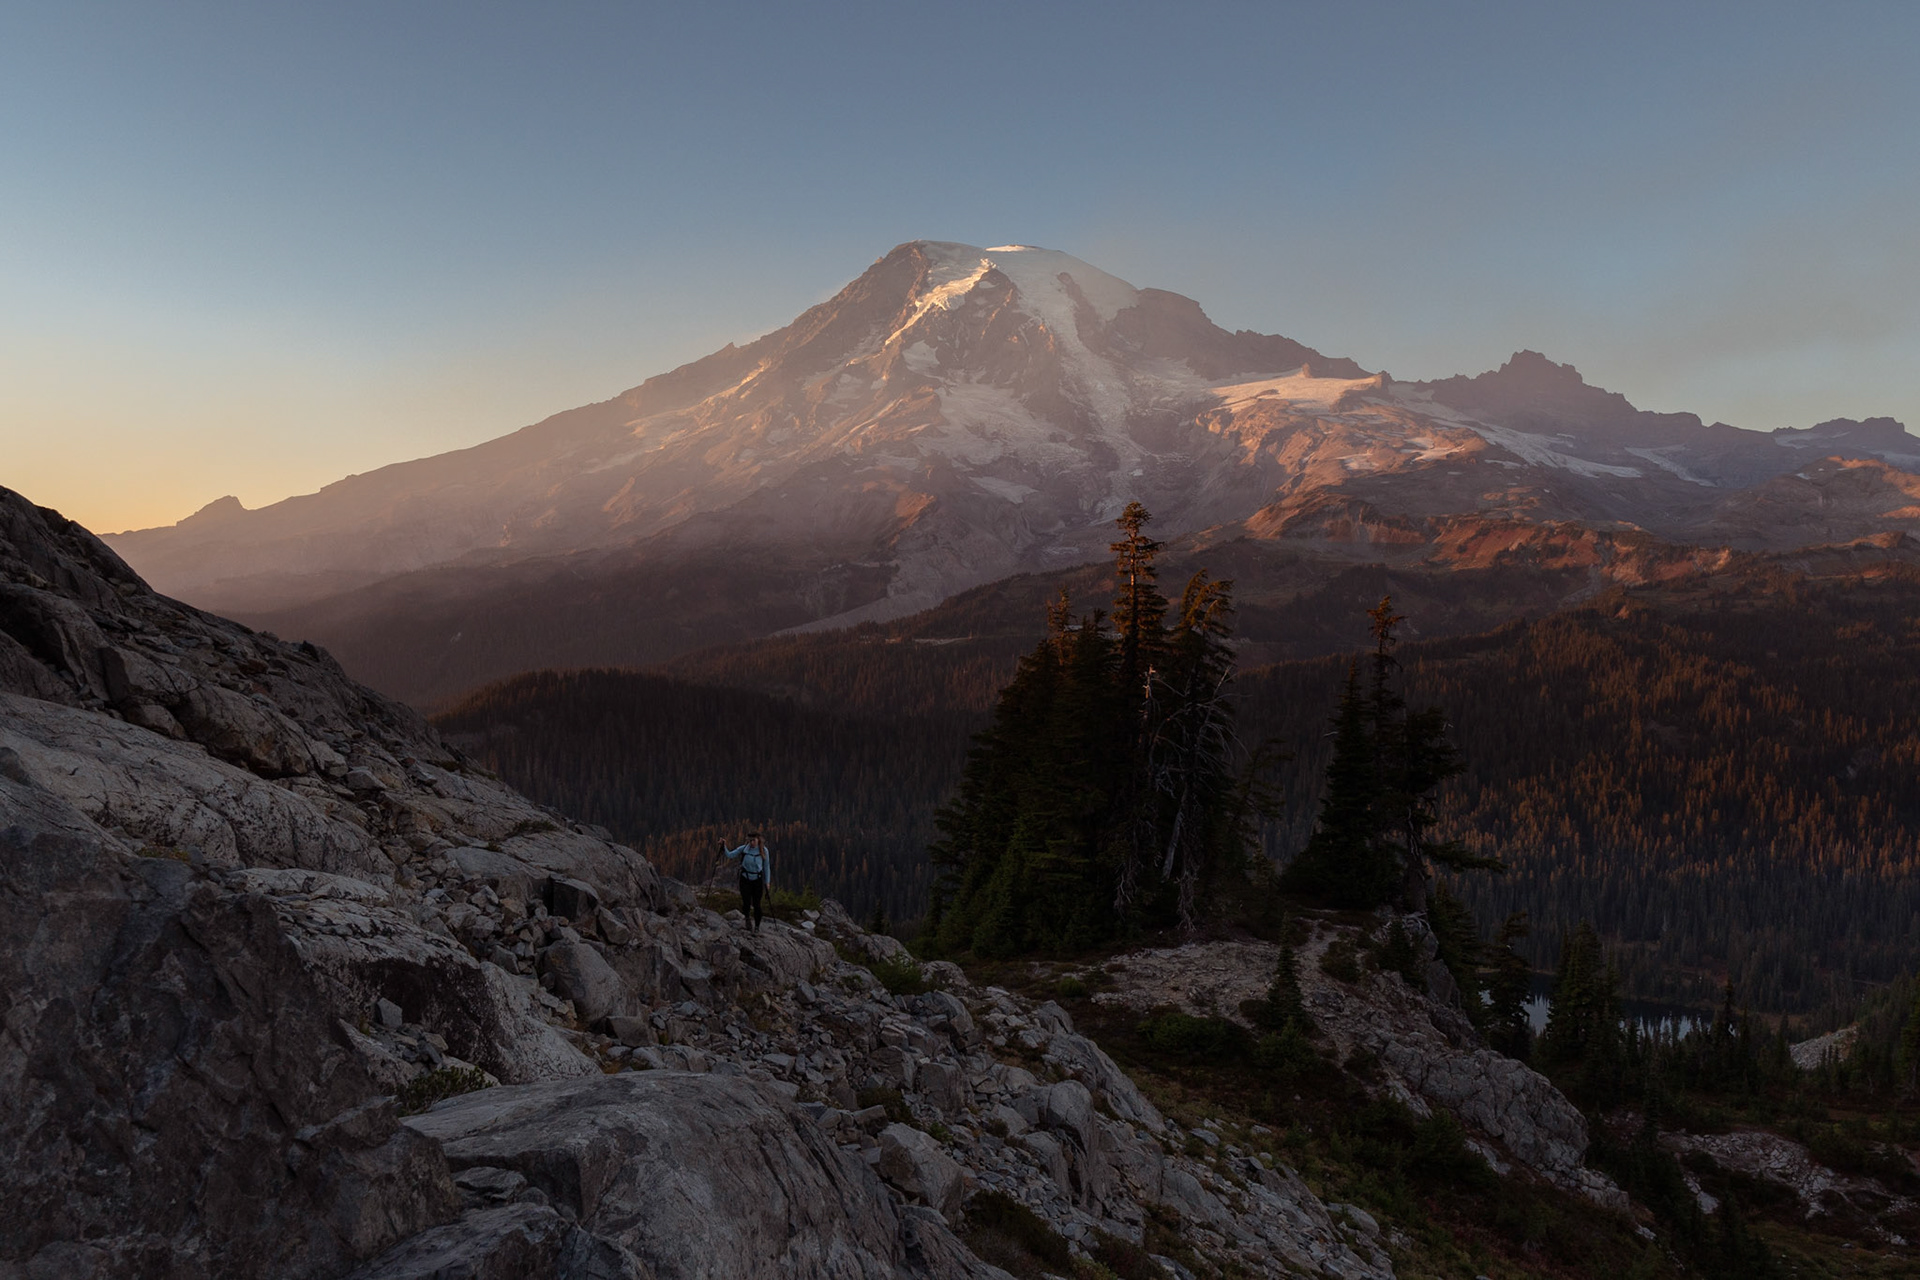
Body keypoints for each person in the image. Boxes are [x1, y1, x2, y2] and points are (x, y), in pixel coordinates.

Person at [720, 832, 771, 931]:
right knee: (746, 902)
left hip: (757, 880)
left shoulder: (764, 851)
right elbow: (730, 855)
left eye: (754, 840)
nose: (752, 843)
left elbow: (766, 867)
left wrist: (767, 882)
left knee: (757, 904)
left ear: (758, 840)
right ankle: (747, 919)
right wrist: (723, 847)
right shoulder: (744, 849)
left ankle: (757, 926)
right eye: (750, 840)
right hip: (745, 879)